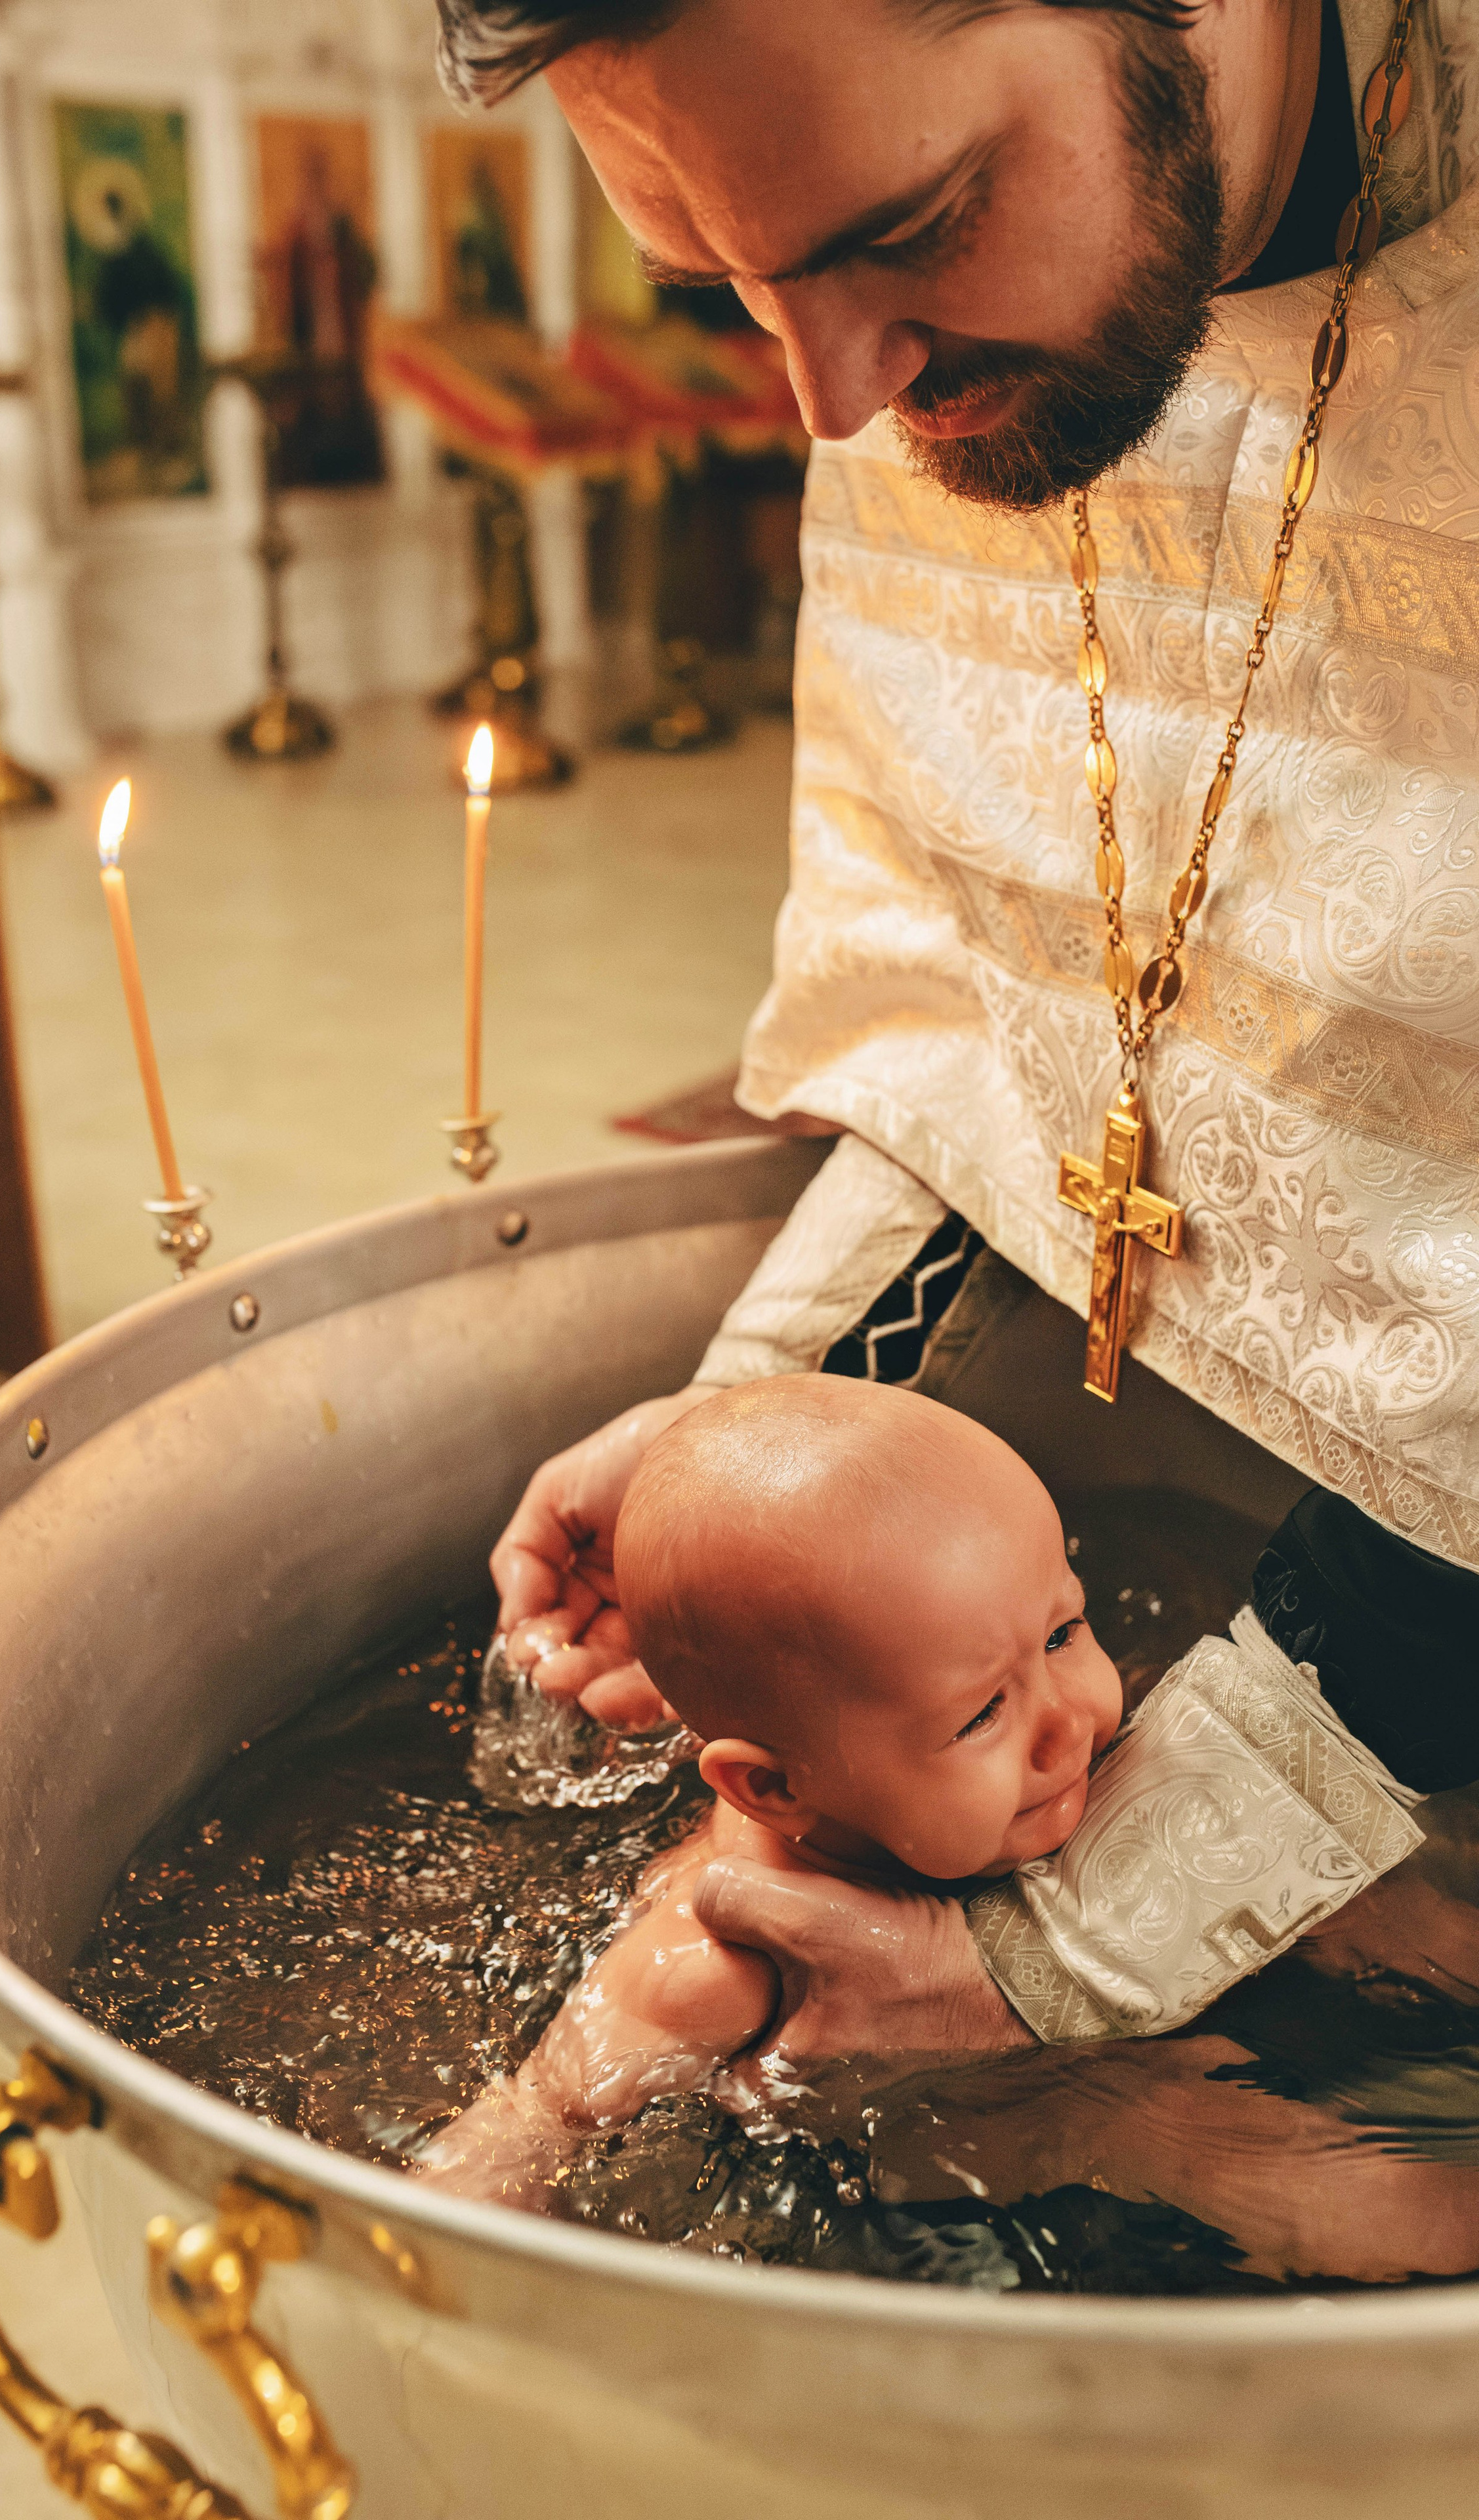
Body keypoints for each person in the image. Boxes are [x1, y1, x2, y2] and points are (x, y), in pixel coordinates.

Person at [436, 0, 1479, 2078]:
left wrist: (1060, 1966)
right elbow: (997, 1021)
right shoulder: (916, 368)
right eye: (726, 287)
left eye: (911, 225)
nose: (830, 398)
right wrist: (757, 1453)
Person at [423, 1377, 1423, 2200]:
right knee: (1336, 2189)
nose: (1069, 1718)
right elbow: (525, 2129)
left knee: (1400, 1910)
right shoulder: (716, 1968)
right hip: (969, 2137)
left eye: (1064, 1633)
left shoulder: (1022, 1776)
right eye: (982, 1713)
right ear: (770, 1788)